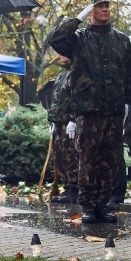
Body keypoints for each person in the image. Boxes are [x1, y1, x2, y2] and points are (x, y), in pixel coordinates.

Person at [47, 0, 131, 223]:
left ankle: (104, 204)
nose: (105, 9)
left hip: (114, 111)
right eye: (99, 6)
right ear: (91, 11)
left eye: (107, 5)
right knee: (88, 160)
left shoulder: (121, 40)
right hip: (88, 111)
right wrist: (77, 19)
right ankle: (88, 205)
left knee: (109, 160)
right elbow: (55, 39)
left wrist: (126, 102)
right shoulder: (78, 40)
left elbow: (129, 74)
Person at [48, 55, 78, 204]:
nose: (60, 55)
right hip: (59, 122)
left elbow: (78, 98)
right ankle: (67, 186)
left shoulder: (77, 72)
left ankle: (74, 189)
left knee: (70, 155)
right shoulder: (61, 74)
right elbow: (55, 99)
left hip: (69, 123)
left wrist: (74, 119)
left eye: (64, 53)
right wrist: (52, 119)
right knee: (59, 156)